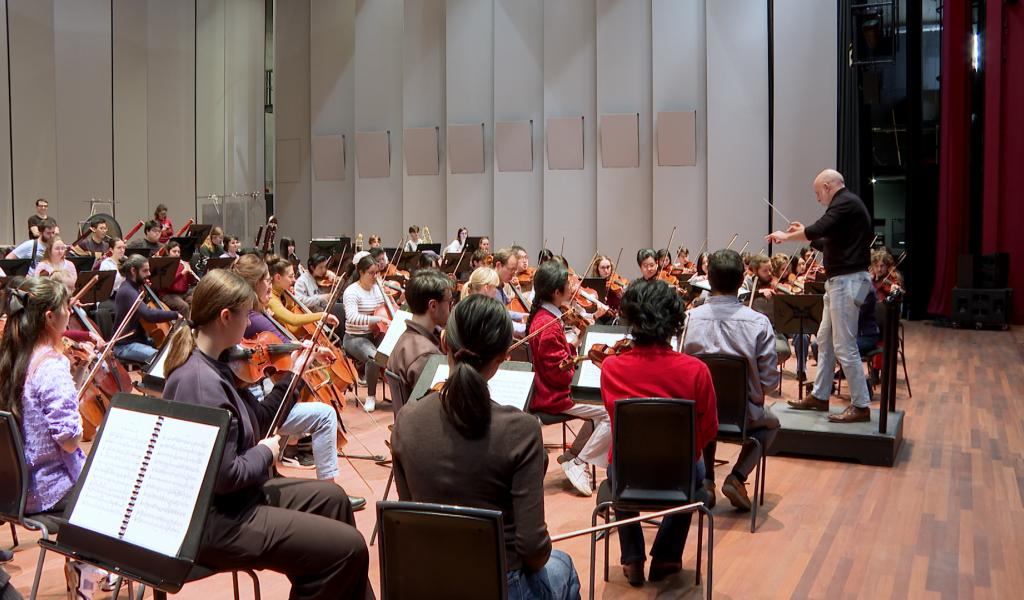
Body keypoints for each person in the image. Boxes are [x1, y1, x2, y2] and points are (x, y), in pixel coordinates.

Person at [161, 270, 370, 600]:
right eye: (246, 315)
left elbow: (258, 420)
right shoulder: (201, 384)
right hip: (217, 522)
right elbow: (227, 477)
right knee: (348, 549)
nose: (250, 323)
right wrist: (266, 452)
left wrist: (294, 375)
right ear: (225, 317)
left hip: (238, 501)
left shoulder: (217, 366)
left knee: (333, 499)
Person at [391, 294, 581, 600]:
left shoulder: (406, 419)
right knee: (564, 565)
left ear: (444, 343)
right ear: (504, 356)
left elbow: (410, 516)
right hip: (501, 584)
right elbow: (533, 550)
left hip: (431, 581)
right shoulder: (522, 430)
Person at [0, 277, 115, 597]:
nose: (71, 313)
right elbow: (68, 439)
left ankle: (92, 565)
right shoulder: (51, 366)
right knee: (116, 489)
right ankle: (89, 569)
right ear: (50, 317)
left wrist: (77, 373)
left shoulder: (16, 357)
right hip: (50, 488)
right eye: (67, 307)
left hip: (18, 489)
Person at [601, 279, 718, 586]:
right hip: (679, 475)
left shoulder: (611, 368)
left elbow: (615, 421)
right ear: (675, 321)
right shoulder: (697, 370)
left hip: (628, 473)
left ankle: (632, 558)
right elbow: (709, 429)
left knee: (619, 467)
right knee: (695, 472)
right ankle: (666, 556)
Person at [767, 169, 874, 422]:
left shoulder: (844, 202)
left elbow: (818, 230)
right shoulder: (848, 205)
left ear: (827, 186)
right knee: (824, 340)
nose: (817, 198)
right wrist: (804, 232)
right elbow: (827, 242)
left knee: (844, 345)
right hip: (842, 282)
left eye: (817, 193)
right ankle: (820, 395)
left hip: (846, 282)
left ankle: (861, 405)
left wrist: (787, 236)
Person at [683, 249, 780, 511]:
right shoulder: (759, 322)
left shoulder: (689, 319)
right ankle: (737, 477)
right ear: (741, 282)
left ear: (708, 280)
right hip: (743, 417)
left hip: (698, 414)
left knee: (708, 408)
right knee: (772, 424)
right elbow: (770, 382)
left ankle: (707, 480)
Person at [527, 261, 611, 496]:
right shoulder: (548, 325)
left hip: (552, 388)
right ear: (556, 292)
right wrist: (586, 381)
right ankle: (578, 462)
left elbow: (559, 360)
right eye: (568, 283)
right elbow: (558, 373)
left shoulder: (546, 316)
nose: (572, 287)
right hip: (553, 396)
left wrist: (577, 341)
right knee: (610, 411)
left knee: (602, 407)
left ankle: (573, 454)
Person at [387, 269, 451, 407]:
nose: (450, 307)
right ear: (433, 305)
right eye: (448, 301)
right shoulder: (426, 355)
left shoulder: (405, 338)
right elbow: (436, 407)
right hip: (421, 419)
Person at [342, 255, 389, 413]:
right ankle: (371, 395)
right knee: (374, 359)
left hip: (375, 334)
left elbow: (385, 309)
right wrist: (377, 319)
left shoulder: (377, 288)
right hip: (355, 338)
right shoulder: (351, 291)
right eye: (371, 273)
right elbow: (352, 318)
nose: (375, 277)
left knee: (398, 350)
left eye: (377, 273)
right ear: (361, 272)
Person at [112, 255, 180, 363]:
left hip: (140, 340)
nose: (149, 274)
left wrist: (145, 292)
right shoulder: (127, 291)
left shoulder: (136, 287)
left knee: (173, 350)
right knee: (163, 360)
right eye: (145, 271)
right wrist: (175, 314)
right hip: (125, 345)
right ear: (133, 270)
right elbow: (149, 315)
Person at [265, 256, 341, 339]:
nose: (294, 280)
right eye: (290, 276)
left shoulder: (278, 293)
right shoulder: (271, 298)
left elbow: (283, 319)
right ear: (278, 278)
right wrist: (322, 315)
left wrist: (289, 302)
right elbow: (293, 320)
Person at [293, 254, 345, 321]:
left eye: (325, 267)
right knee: (340, 310)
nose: (324, 270)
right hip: (311, 315)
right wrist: (321, 297)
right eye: (321, 267)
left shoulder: (322, 277)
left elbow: (341, 282)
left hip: (323, 311)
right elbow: (300, 301)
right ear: (312, 267)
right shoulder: (302, 281)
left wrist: (334, 276)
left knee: (342, 308)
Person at [157, 241, 196, 317]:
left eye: (178, 252)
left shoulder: (182, 264)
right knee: (184, 306)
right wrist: (182, 273)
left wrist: (190, 273)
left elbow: (191, 282)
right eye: (174, 251)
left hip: (182, 293)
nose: (177, 254)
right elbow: (167, 284)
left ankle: (191, 322)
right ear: (168, 252)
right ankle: (183, 325)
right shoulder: (164, 264)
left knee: (195, 301)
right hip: (168, 294)